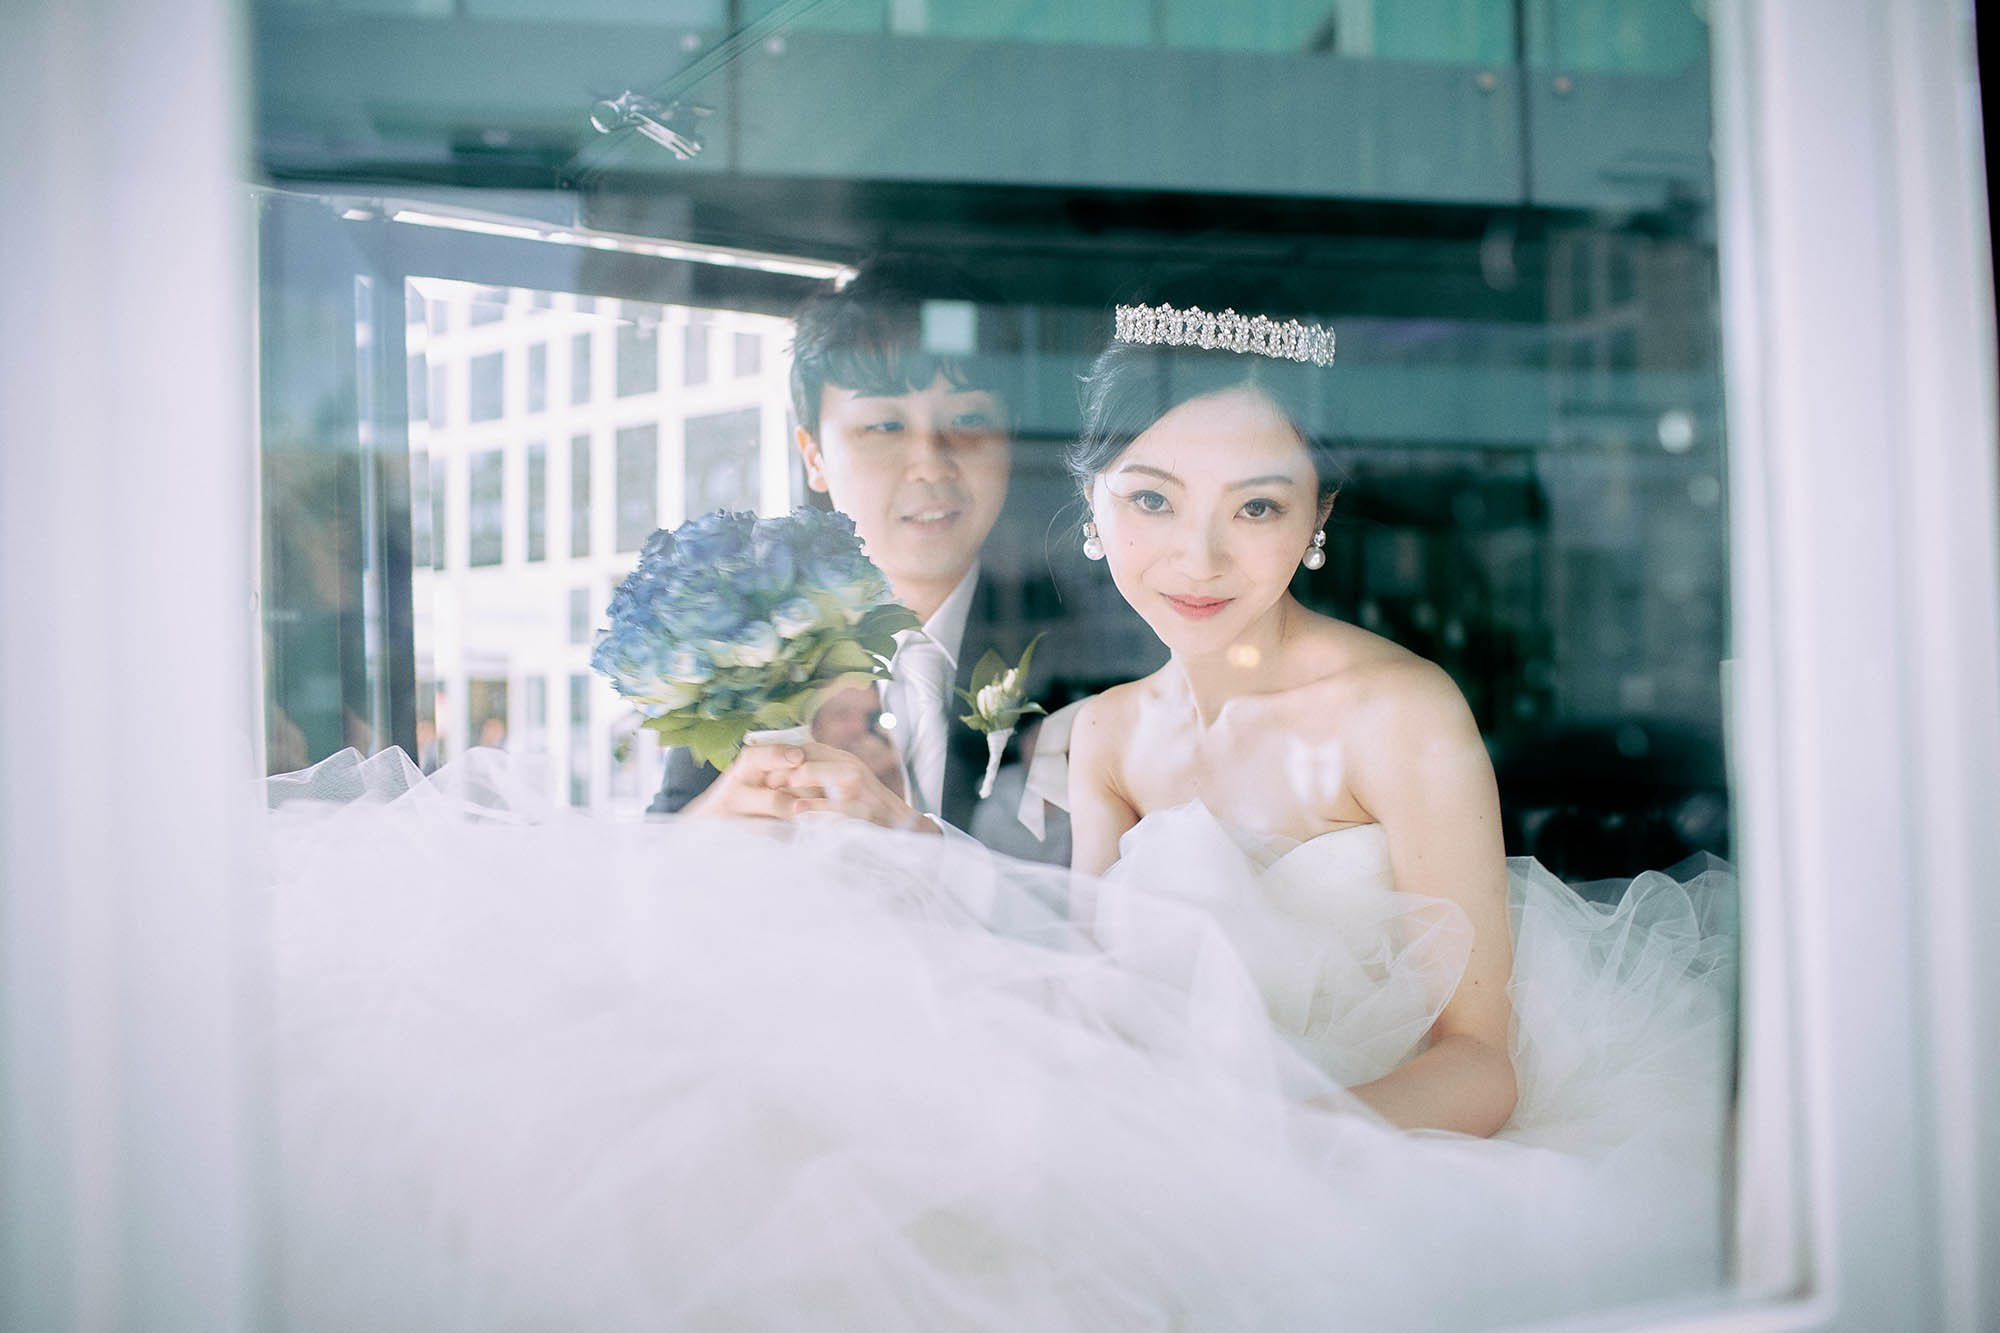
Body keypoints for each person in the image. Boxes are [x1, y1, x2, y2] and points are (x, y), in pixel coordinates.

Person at [260, 298, 1736, 1331]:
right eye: (1153, 501)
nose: (1202, 555)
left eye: (1260, 506)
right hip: (1175, 1133)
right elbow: (1093, 993)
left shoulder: (1401, 714)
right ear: (1093, 507)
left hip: (1376, 1144)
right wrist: (892, 852)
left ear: (1322, 516)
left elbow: (1479, 1060)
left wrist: (1275, 1151)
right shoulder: (1095, 737)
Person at [650, 256, 1069, 863]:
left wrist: (920, 848)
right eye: (884, 425)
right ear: (814, 455)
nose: (930, 461)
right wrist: (719, 821)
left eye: (968, 419)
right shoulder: (751, 651)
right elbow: (655, 875)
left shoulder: (1085, 646)